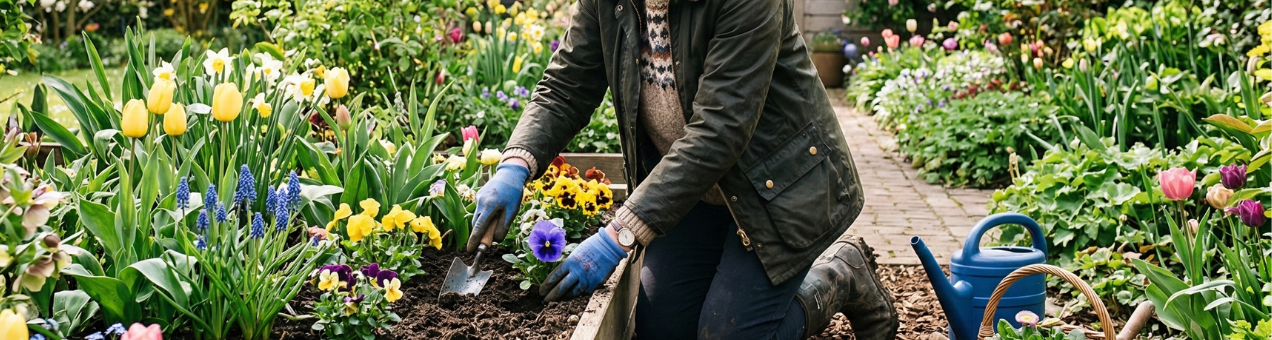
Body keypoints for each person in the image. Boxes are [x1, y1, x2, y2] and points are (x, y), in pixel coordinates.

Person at [468, 0, 899, 338]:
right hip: (690, 195)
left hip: (777, 191)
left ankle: (840, 275)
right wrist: (516, 162)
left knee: (727, 336)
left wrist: (618, 235)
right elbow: (566, 85)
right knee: (663, 331)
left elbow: (720, 129)